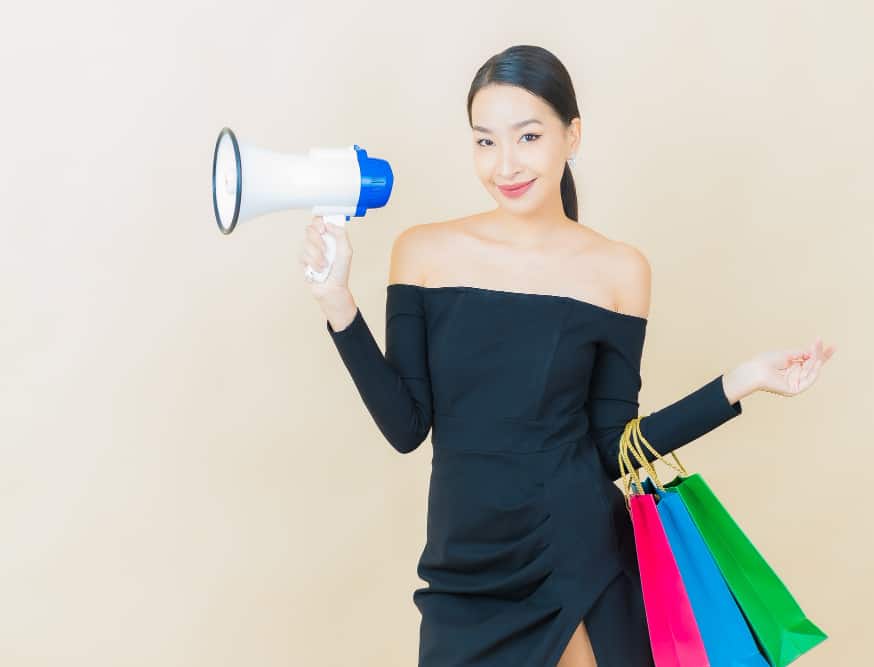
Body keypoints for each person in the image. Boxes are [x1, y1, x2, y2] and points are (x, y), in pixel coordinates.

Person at [301, 44, 835, 667]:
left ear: (571, 135)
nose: (506, 165)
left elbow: (613, 446)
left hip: (575, 561)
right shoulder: (423, 252)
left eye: (528, 136)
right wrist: (336, 300)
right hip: (462, 568)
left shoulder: (618, 270)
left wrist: (738, 383)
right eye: (485, 142)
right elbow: (405, 426)